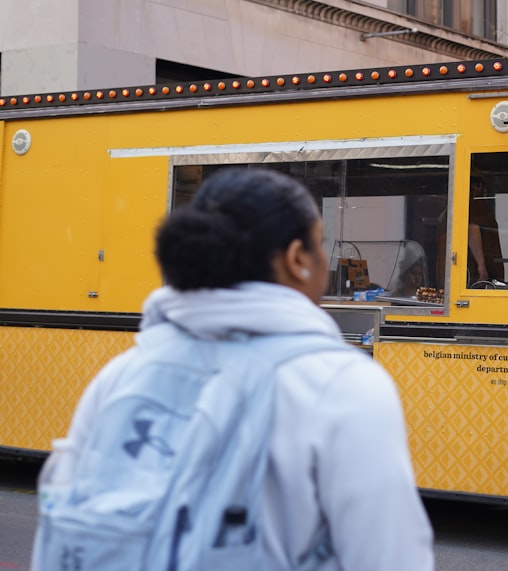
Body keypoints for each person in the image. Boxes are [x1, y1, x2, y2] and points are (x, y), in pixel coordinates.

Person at [47, 169, 434, 570]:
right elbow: (391, 556)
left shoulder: (118, 378)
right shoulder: (342, 386)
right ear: (297, 259)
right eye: (321, 246)